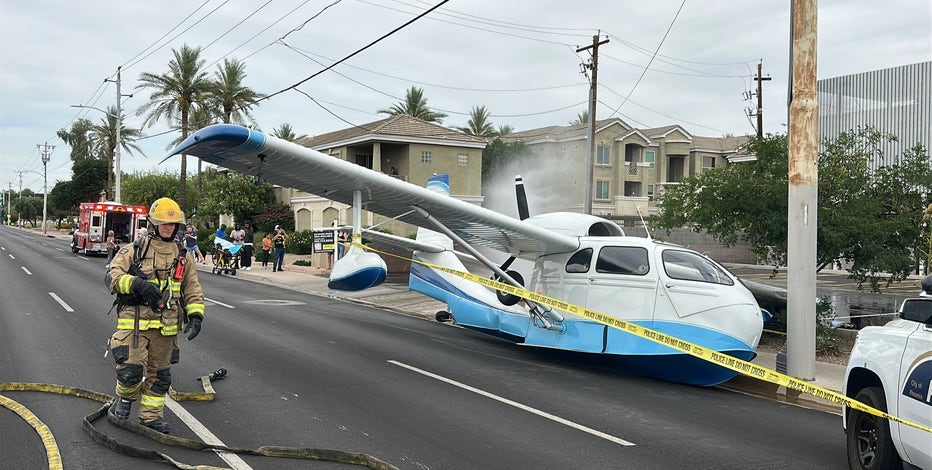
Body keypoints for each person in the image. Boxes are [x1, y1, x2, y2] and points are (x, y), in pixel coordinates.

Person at [105, 197, 205, 434]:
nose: (169, 228)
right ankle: (124, 400)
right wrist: (137, 284)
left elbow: (192, 288)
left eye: (173, 224)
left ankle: (151, 417)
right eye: (164, 223)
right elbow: (111, 277)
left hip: (166, 327)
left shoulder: (183, 256)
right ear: (153, 224)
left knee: (160, 377)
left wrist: (196, 315)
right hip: (135, 324)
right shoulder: (136, 249)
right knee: (130, 371)